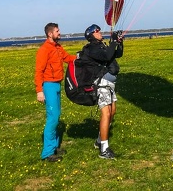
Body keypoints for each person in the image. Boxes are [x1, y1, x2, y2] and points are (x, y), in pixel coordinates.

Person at [76, 24, 124, 159]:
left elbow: (117, 54)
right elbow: (107, 57)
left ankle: (98, 140)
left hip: (109, 84)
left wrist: (119, 42)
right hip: (101, 84)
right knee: (106, 114)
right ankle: (104, 149)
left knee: (112, 112)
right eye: (97, 31)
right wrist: (113, 42)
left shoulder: (101, 45)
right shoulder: (92, 48)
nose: (100, 32)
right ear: (91, 35)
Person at [34, 22, 77, 162]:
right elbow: (38, 71)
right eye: (57, 31)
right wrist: (39, 91)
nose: (60, 33)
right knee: (52, 118)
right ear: (50, 34)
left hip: (57, 84)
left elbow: (67, 58)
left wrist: (81, 57)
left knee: (57, 116)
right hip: (49, 86)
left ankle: (55, 147)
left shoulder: (58, 47)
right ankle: (47, 153)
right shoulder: (44, 49)